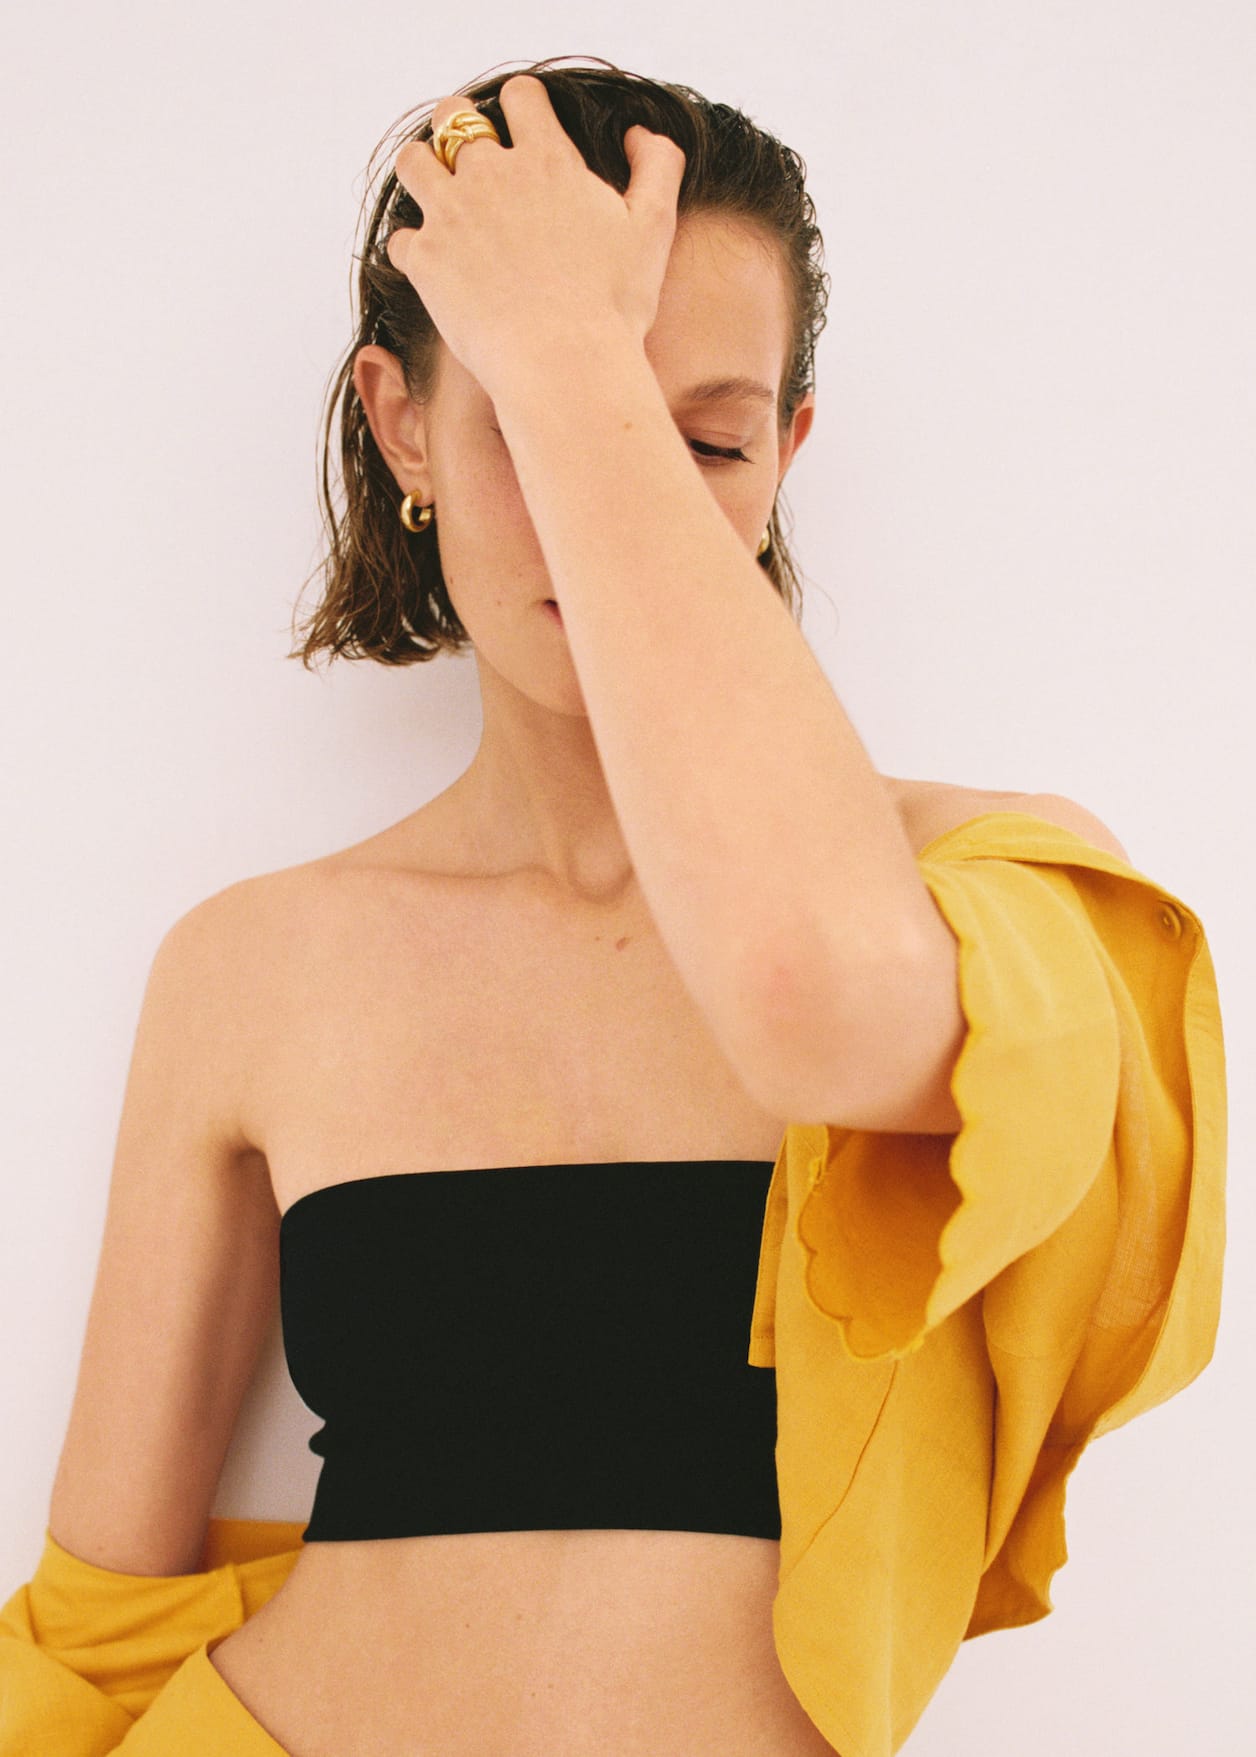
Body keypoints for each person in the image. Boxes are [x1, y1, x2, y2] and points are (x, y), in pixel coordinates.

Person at [0, 54, 1227, 1757]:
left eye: (700, 440)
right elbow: (97, 1623)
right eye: (527, 414)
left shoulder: (994, 891)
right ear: (402, 422)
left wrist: (570, 367)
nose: (604, 496)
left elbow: (808, 991)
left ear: (788, 450)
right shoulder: (247, 963)